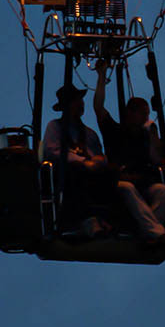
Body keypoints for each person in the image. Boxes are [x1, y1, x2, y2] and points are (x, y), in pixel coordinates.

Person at [94, 61, 165, 243]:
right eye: (143, 114)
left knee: (162, 191)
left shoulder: (145, 137)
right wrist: (101, 76)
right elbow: (98, 108)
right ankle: (155, 232)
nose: (146, 118)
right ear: (131, 113)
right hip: (120, 184)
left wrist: (153, 133)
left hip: (143, 184)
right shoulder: (113, 130)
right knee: (127, 188)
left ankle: (147, 232)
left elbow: (156, 159)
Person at [41, 82, 112, 236]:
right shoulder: (55, 127)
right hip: (69, 174)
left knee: (112, 174)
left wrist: (99, 161)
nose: (80, 104)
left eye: (81, 100)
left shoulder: (89, 134)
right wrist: (83, 163)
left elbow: (99, 155)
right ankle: (83, 221)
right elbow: (53, 151)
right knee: (76, 172)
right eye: (76, 101)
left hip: (92, 173)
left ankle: (108, 219)